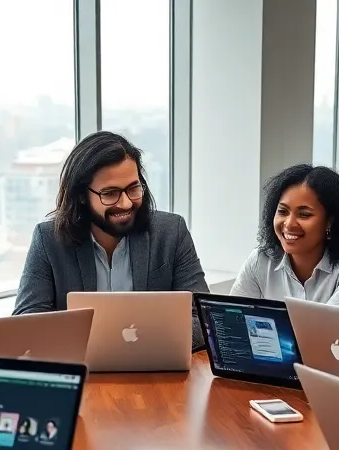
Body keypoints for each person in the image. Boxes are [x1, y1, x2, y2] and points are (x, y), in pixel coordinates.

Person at [13, 131, 209, 348]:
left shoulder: (171, 232)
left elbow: (203, 320)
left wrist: (139, 346)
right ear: (81, 196)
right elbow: (26, 323)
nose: (125, 203)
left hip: (154, 372)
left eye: (133, 188)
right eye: (110, 193)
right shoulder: (49, 240)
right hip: (84, 375)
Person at [231, 164, 339, 309]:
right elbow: (232, 316)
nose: (289, 224)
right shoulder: (260, 260)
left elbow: (332, 327)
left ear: (330, 221)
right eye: (283, 211)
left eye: (304, 214)